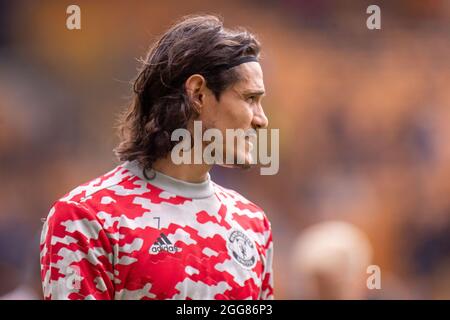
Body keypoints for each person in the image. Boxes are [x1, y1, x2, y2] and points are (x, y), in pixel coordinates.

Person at [40, 14, 273, 300]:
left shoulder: (253, 223)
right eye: (250, 99)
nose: (262, 119)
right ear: (198, 94)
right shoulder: (87, 218)